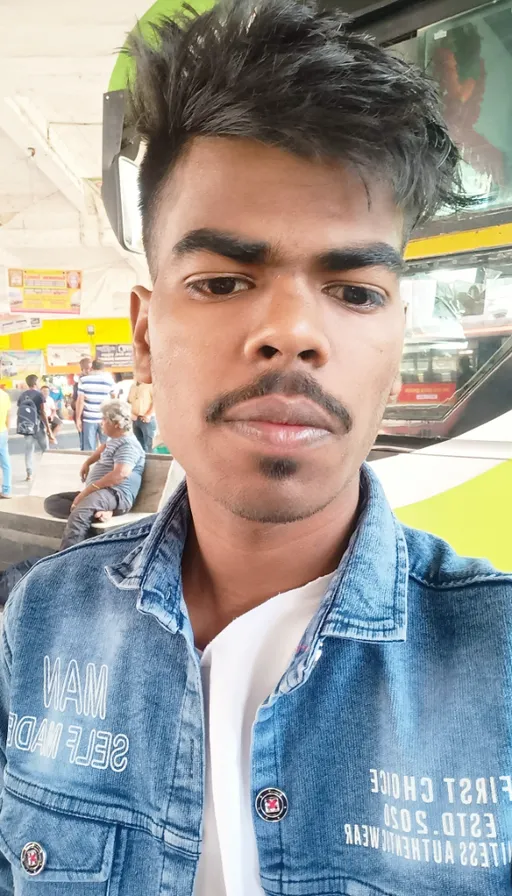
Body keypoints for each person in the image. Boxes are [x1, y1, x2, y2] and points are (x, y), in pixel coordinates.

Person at [2, 3, 511, 894]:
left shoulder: (496, 661)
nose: (290, 332)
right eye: (224, 281)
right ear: (146, 335)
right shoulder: (37, 623)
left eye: (354, 292)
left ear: (396, 342)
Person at [43, 400, 145, 550]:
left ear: (116, 423)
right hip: (99, 494)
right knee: (52, 502)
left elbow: (121, 474)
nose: (101, 422)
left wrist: (87, 491)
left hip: (115, 493)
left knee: (80, 513)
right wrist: (88, 462)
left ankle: (65, 559)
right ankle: (96, 513)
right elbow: (103, 448)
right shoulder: (115, 439)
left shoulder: (128, 445)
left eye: (104, 419)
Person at [17, 374, 53, 481]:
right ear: (35, 383)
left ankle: (29, 474)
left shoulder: (22, 395)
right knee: (45, 449)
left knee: (29, 450)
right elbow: (43, 412)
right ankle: (46, 471)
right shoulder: (39, 395)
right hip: (38, 426)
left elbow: (22, 411)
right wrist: (49, 429)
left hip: (27, 427)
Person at [75, 358, 116, 451]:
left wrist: (78, 419)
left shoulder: (83, 380)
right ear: (103, 368)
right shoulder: (109, 380)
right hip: (105, 418)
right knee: (107, 446)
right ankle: (106, 464)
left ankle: (90, 464)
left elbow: (80, 401)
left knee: (89, 448)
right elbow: (114, 398)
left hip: (89, 419)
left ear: (92, 368)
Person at [128, 379, 156, 452]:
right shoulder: (133, 386)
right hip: (135, 419)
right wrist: (131, 414)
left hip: (147, 420)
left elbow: (155, 401)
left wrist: (148, 414)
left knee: (150, 445)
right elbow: (128, 401)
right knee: (138, 445)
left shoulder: (150, 385)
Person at [71, 356, 92, 448]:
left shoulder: (98, 381)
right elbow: (74, 403)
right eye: (86, 369)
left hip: (96, 416)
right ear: (82, 369)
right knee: (85, 441)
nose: (89, 371)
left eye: (91, 369)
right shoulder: (79, 384)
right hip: (84, 415)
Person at [0, 386, 11, 499]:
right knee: (5, 463)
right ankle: (6, 491)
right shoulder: (4, 395)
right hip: (2, 432)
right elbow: (8, 415)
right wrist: (6, 430)